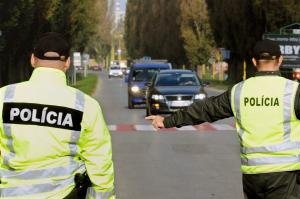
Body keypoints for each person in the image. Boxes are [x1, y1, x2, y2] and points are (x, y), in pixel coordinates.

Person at [146, 39, 300, 199]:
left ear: (254, 61)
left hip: (253, 176)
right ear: (280, 60)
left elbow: (204, 110)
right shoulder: (293, 91)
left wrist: (166, 121)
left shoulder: (239, 91)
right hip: (286, 174)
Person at [0, 32, 115, 199]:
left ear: (33, 59)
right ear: (67, 63)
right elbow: (100, 164)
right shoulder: (85, 105)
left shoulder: (4, 97)